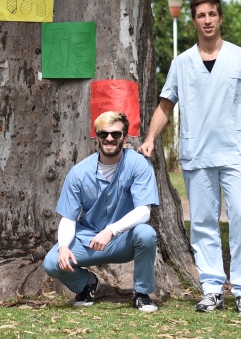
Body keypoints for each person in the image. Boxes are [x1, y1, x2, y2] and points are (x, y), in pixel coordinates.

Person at [139, 0, 241, 316]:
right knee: (202, 223)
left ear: (220, 18)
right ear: (194, 21)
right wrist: (150, 138)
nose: (207, 20)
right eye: (201, 15)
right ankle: (211, 289)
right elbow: (166, 105)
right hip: (197, 154)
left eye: (212, 14)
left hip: (237, 153)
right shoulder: (181, 63)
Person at [43, 112, 160, 312]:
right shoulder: (78, 172)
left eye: (116, 134)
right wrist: (63, 246)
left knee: (146, 233)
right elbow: (68, 218)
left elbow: (143, 211)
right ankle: (86, 284)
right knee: (52, 262)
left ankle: (142, 294)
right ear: (96, 136)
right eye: (103, 133)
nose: (109, 138)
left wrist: (111, 231)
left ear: (125, 137)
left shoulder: (139, 164)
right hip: (89, 241)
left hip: (124, 240)